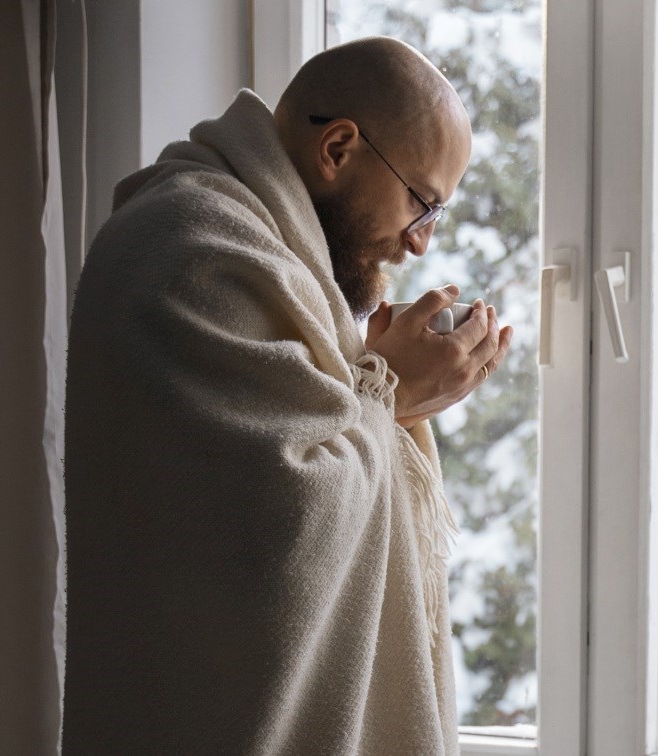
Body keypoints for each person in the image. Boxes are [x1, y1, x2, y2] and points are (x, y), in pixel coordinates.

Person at [62, 37, 511, 755]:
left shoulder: (248, 244)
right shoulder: (193, 251)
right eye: (421, 203)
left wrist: (380, 381)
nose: (420, 243)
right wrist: (385, 388)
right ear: (337, 147)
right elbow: (278, 519)